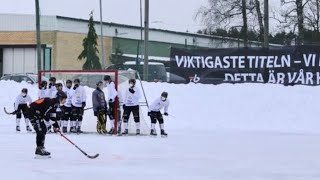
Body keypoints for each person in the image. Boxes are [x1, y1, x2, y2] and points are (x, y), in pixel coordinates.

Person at [26, 91, 67, 158]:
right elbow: (47, 116)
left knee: (43, 129)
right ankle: (39, 149)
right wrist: (54, 125)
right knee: (40, 130)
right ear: (59, 98)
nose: (65, 101)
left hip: (38, 114)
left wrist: (56, 126)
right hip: (33, 113)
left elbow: (52, 115)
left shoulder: (55, 103)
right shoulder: (51, 103)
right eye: (64, 99)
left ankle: (41, 148)